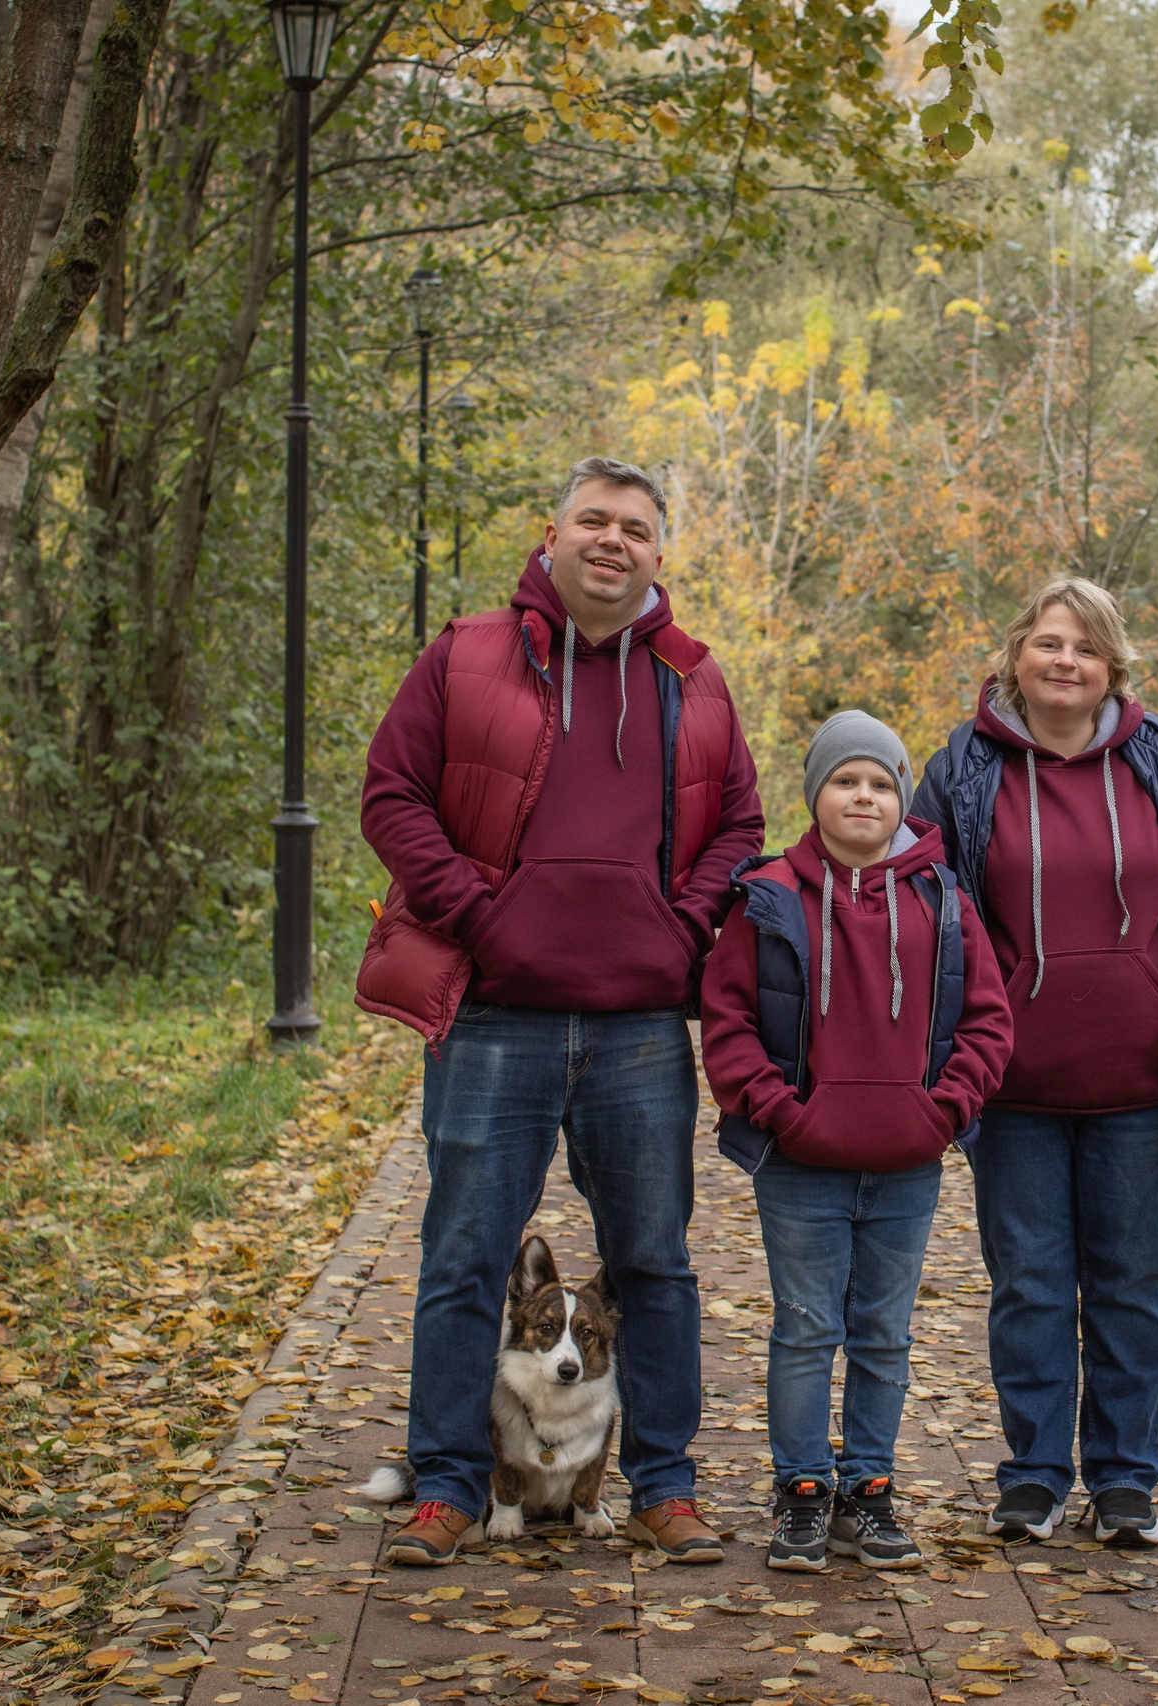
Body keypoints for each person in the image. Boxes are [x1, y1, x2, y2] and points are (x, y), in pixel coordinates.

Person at [356, 456, 764, 1567]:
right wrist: (479, 915)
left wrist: (679, 931)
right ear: (553, 534)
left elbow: (739, 826)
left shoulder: (696, 679)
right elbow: (390, 794)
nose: (612, 540)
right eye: (594, 519)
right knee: (461, 1255)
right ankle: (445, 1481)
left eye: (635, 526)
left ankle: (661, 1485)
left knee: (656, 1263)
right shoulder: (466, 656)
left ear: (658, 551)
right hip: (494, 1016)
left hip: (638, 1025)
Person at [909, 577, 1158, 1548]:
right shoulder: (962, 767)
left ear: (1111, 666)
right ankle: (1035, 1473)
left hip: (1140, 1078)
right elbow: (923, 901)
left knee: (1130, 1278)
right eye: (1047, 642)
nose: (1063, 661)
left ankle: (1126, 1477)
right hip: (1011, 1083)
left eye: (1083, 648)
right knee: (1031, 1281)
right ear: (1016, 654)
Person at [700, 712, 1013, 1572]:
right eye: (846, 781)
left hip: (907, 1161)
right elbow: (727, 1025)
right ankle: (802, 1491)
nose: (864, 796)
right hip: (800, 1163)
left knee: (882, 1332)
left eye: (880, 783)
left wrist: (945, 1110)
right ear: (816, 796)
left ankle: (868, 1491)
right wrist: (781, 1111)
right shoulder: (768, 898)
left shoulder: (942, 897)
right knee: (805, 1328)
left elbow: (988, 1019)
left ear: (901, 797)